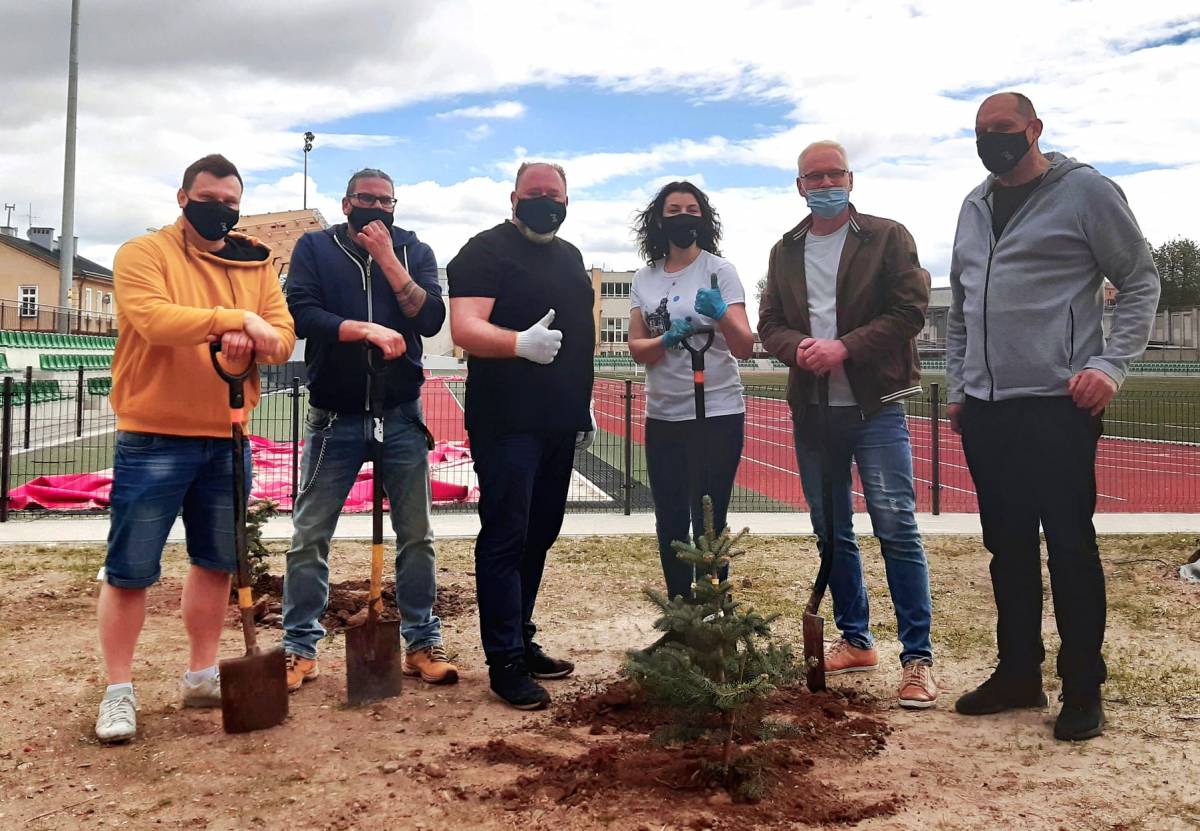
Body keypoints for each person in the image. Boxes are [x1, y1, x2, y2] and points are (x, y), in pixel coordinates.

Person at [948, 93, 1160, 740]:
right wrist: (959, 384)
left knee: (1069, 547)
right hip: (986, 410)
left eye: (1005, 130)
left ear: (1035, 129)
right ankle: (1018, 672)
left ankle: (1082, 687)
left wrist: (1111, 364)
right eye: (982, 132)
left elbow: (1141, 279)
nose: (993, 141)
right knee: (1006, 549)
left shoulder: (1086, 193)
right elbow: (960, 306)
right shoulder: (973, 205)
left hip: (1056, 406)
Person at [95, 154, 295, 743]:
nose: (221, 210)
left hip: (226, 435)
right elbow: (153, 319)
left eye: (231, 202)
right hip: (154, 433)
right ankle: (118, 692)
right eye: (210, 198)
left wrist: (256, 337)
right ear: (183, 198)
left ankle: (202, 674)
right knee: (130, 571)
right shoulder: (144, 253)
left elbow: (281, 337)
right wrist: (233, 319)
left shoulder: (256, 262)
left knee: (215, 565)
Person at [758, 140, 937, 709]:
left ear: (851, 179)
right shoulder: (785, 249)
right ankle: (856, 639)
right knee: (832, 531)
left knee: (896, 529)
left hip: (874, 407)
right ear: (799, 185)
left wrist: (845, 349)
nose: (825, 182)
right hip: (813, 412)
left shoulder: (887, 236)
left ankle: (918, 658)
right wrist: (801, 347)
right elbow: (770, 323)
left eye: (834, 173)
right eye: (814, 175)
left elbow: (909, 310)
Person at [282, 168, 456, 691]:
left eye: (386, 201)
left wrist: (386, 259)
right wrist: (362, 330)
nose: (377, 209)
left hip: (400, 413)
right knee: (310, 533)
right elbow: (301, 312)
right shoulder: (315, 247)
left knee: (417, 534)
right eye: (366, 199)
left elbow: (429, 317)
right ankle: (300, 648)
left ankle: (421, 642)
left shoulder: (414, 250)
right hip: (335, 415)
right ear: (346, 202)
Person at [447, 162, 595, 710]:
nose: (544, 202)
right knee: (507, 534)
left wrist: (582, 405)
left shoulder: (572, 256)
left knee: (541, 533)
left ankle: (522, 636)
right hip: (508, 422)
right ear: (514, 198)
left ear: (567, 199)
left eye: (553, 194)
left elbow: (578, 338)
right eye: (534, 193)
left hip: (560, 419)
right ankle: (503, 659)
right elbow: (465, 326)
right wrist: (516, 344)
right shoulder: (485, 249)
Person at [627, 181, 753, 621]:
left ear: (704, 218)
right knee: (670, 519)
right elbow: (637, 348)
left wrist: (721, 313)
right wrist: (666, 337)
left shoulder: (720, 270)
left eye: (692, 208)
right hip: (665, 412)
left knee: (710, 516)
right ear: (660, 220)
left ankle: (716, 614)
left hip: (717, 410)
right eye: (674, 209)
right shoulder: (645, 278)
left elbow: (744, 346)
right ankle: (681, 614)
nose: (684, 216)